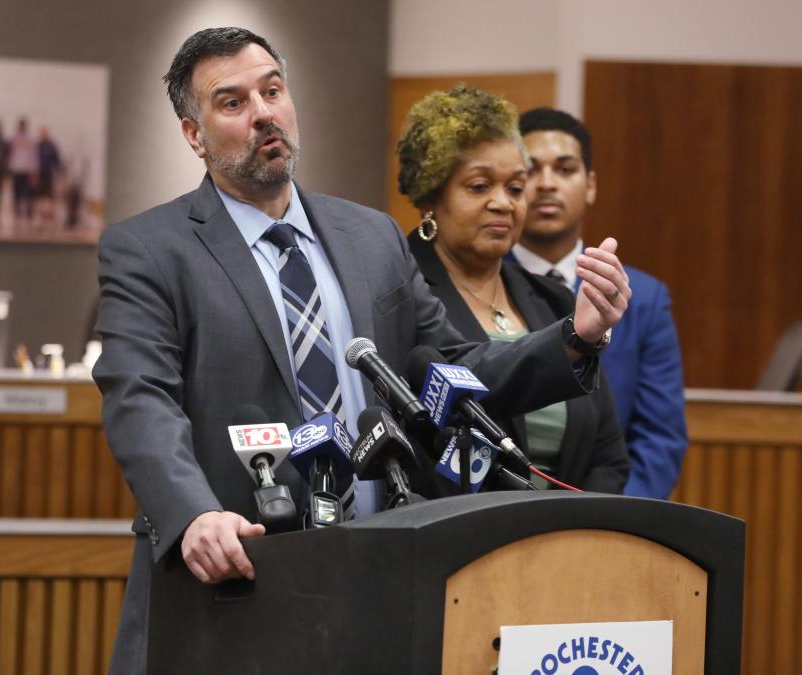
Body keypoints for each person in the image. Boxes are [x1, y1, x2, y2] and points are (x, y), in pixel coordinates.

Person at [93, 27, 631, 674]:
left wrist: (576, 335)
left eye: (272, 89)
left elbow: (450, 371)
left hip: (376, 582)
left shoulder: (370, 237)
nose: (264, 111)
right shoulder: (150, 249)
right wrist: (194, 514)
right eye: (232, 102)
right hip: (233, 582)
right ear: (193, 135)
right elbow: (139, 399)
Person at [398, 85, 629, 493]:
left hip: (569, 541)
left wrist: (580, 535)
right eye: (479, 186)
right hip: (458, 537)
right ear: (431, 195)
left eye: (516, 188)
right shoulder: (400, 289)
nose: (504, 203)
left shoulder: (555, 298)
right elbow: (467, 390)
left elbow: (607, 453)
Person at [511, 108, 687, 499]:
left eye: (565, 169)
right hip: (500, 506)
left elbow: (660, 437)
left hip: (611, 513)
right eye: (530, 170)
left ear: (590, 185)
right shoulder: (480, 283)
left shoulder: (644, 297)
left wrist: (613, 522)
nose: (546, 184)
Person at [8, 118, 37, 226]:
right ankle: (17, 216)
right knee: (16, 195)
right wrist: (9, 170)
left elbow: (33, 156)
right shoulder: (13, 138)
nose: (21, 128)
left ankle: (29, 216)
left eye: (23, 126)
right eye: (20, 126)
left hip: (27, 170)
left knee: (28, 195)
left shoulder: (31, 139)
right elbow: (10, 155)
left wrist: (34, 171)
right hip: (16, 170)